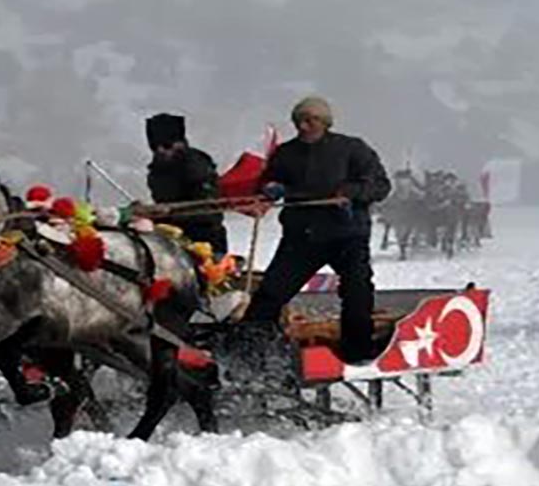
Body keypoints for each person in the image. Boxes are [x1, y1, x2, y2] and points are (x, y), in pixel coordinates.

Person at [245, 96, 392, 364]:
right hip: (302, 238)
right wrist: (269, 189)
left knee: (357, 293)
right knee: (269, 295)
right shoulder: (286, 153)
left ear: (325, 122)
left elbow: (381, 186)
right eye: (299, 121)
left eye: (310, 120)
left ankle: (358, 354)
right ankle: (251, 355)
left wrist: (351, 192)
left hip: (347, 236)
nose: (303, 126)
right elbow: (268, 182)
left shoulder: (352, 148)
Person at [144, 113, 227, 252]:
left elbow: (209, 210)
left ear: (180, 143)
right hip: (170, 236)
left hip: (204, 239)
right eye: (154, 147)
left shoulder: (197, 166)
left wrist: (169, 212)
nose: (160, 150)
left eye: (166, 145)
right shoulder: (156, 170)